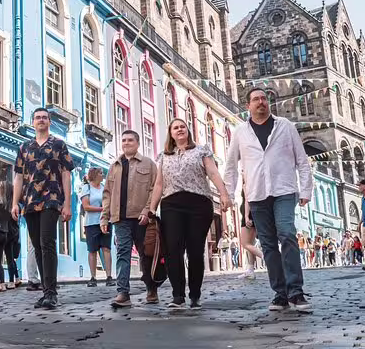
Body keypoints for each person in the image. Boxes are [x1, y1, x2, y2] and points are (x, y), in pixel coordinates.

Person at [224, 88, 313, 312]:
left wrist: (306, 191)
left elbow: (302, 161)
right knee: (268, 244)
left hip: (284, 190)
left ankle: (296, 291)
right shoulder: (240, 132)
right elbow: (231, 167)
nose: (261, 102)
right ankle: (280, 294)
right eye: (256, 99)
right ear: (248, 106)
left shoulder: (286, 126)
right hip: (256, 194)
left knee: (287, 233)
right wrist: (228, 194)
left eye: (264, 98)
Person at [150, 118, 232, 310]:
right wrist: (152, 208)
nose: (179, 129)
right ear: (170, 133)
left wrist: (224, 193)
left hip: (198, 203)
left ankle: (195, 294)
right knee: (173, 250)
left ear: (188, 131)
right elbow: (159, 184)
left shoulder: (201, 150)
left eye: (183, 126)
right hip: (171, 204)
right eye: (175, 127)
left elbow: (212, 173)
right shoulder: (163, 156)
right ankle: (177, 296)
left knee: (195, 250)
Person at [11, 108, 74, 310]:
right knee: (37, 245)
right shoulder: (24, 147)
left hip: (52, 198)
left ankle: (51, 293)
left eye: (44, 118)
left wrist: (68, 204)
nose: (41, 120)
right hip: (30, 201)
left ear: (49, 122)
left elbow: (66, 174)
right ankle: (46, 290)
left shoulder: (58, 144)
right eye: (37, 117)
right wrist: (14, 203)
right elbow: (19, 176)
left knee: (47, 242)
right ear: (33, 122)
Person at [101, 130, 158, 307]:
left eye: (130, 140)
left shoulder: (148, 164)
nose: (126, 143)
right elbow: (107, 193)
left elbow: (155, 189)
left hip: (142, 218)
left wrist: (148, 211)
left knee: (146, 255)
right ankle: (123, 293)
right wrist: (104, 217)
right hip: (120, 219)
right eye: (124, 140)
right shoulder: (115, 166)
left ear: (138, 143)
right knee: (122, 254)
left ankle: (151, 288)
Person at [80, 168, 114, 288]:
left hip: (106, 221)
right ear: (94, 175)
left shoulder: (105, 187)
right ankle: (93, 277)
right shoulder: (87, 188)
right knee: (92, 250)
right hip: (91, 223)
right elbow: (86, 206)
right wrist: (103, 209)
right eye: (100, 173)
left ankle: (109, 276)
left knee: (106, 248)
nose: (102, 174)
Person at [238, 177, 264, 280]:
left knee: (245, 244)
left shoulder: (247, 180)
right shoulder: (256, 180)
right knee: (250, 244)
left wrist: (246, 216)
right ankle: (250, 270)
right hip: (255, 212)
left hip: (249, 214)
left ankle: (269, 259)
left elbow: (247, 199)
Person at [3, 181, 21, 290]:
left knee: (9, 258)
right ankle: (17, 278)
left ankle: (11, 281)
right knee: (11, 258)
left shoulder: (5, 204)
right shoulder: (15, 204)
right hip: (15, 233)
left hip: (8, 233)